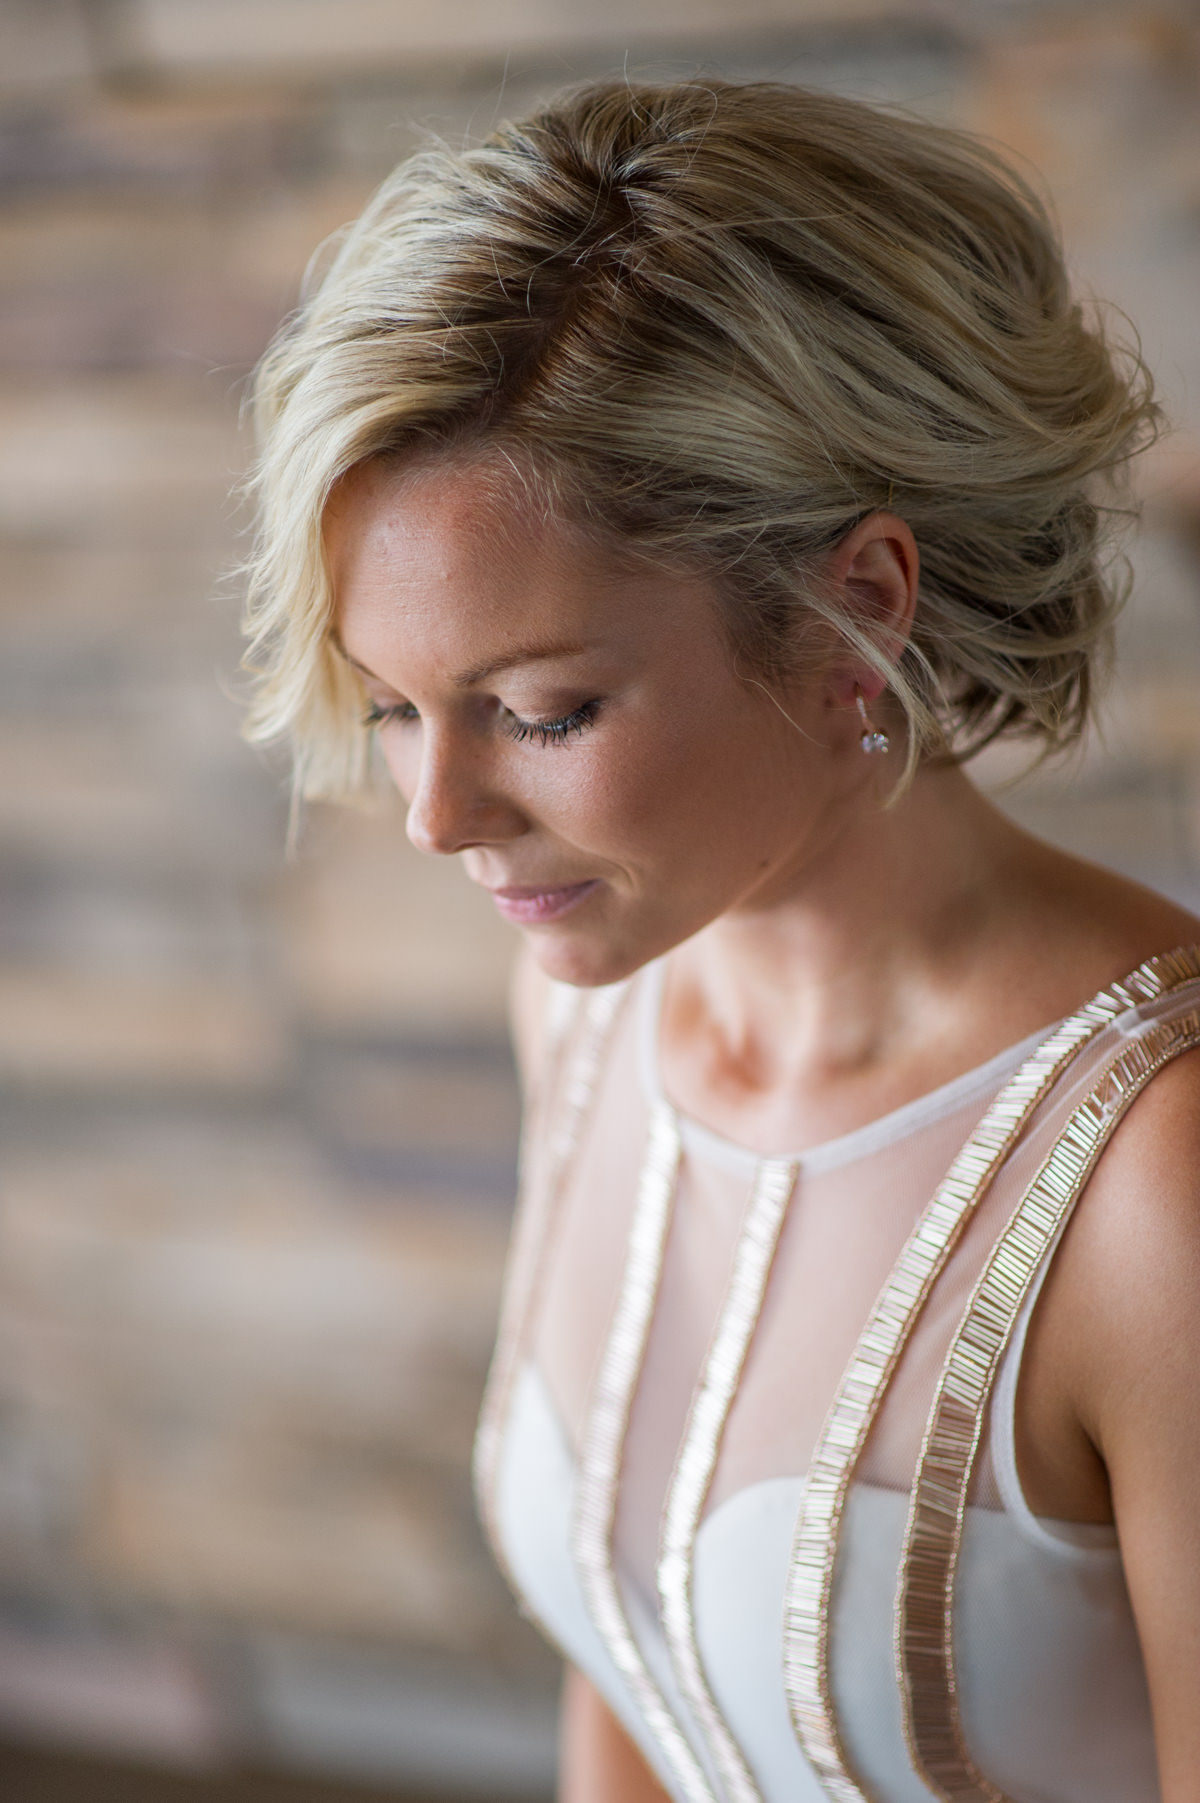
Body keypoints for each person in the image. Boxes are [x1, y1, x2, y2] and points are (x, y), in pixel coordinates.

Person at [241, 79, 1200, 1803]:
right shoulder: (592, 1016)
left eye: (539, 711)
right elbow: (629, 1671)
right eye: (392, 708)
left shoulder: (1158, 1181)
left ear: (861, 605)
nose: (435, 815)